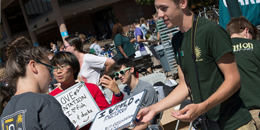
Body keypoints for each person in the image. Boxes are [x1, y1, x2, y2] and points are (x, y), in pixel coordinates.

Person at [136, 0, 255, 129]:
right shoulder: (176, 40)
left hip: (235, 124)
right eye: (157, 9)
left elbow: (234, 79)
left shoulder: (211, 31)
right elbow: (185, 85)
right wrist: (153, 109)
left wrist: (202, 107)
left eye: (164, 8)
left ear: (182, 3)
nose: (159, 14)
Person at [0, 36, 75, 129]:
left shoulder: (5, 113)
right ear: (33, 66)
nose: (51, 78)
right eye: (48, 69)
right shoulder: (44, 102)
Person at [49, 52, 123, 130]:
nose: (58, 71)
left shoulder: (91, 88)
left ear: (75, 69)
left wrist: (117, 94)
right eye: (55, 68)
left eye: (62, 66)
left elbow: (108, 116)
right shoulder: (50, 99)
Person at [99, 58, 157, 130]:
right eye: (117, 74)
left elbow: (151, 121)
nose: (119, 76)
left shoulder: (147, 89)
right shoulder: (124, 91)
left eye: (122, 72)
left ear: (132, 70)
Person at [226, 16, 260, 129]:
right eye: (252, 35)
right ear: (246, 31)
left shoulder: (221, 52)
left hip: (237, 117)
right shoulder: (257, 46)